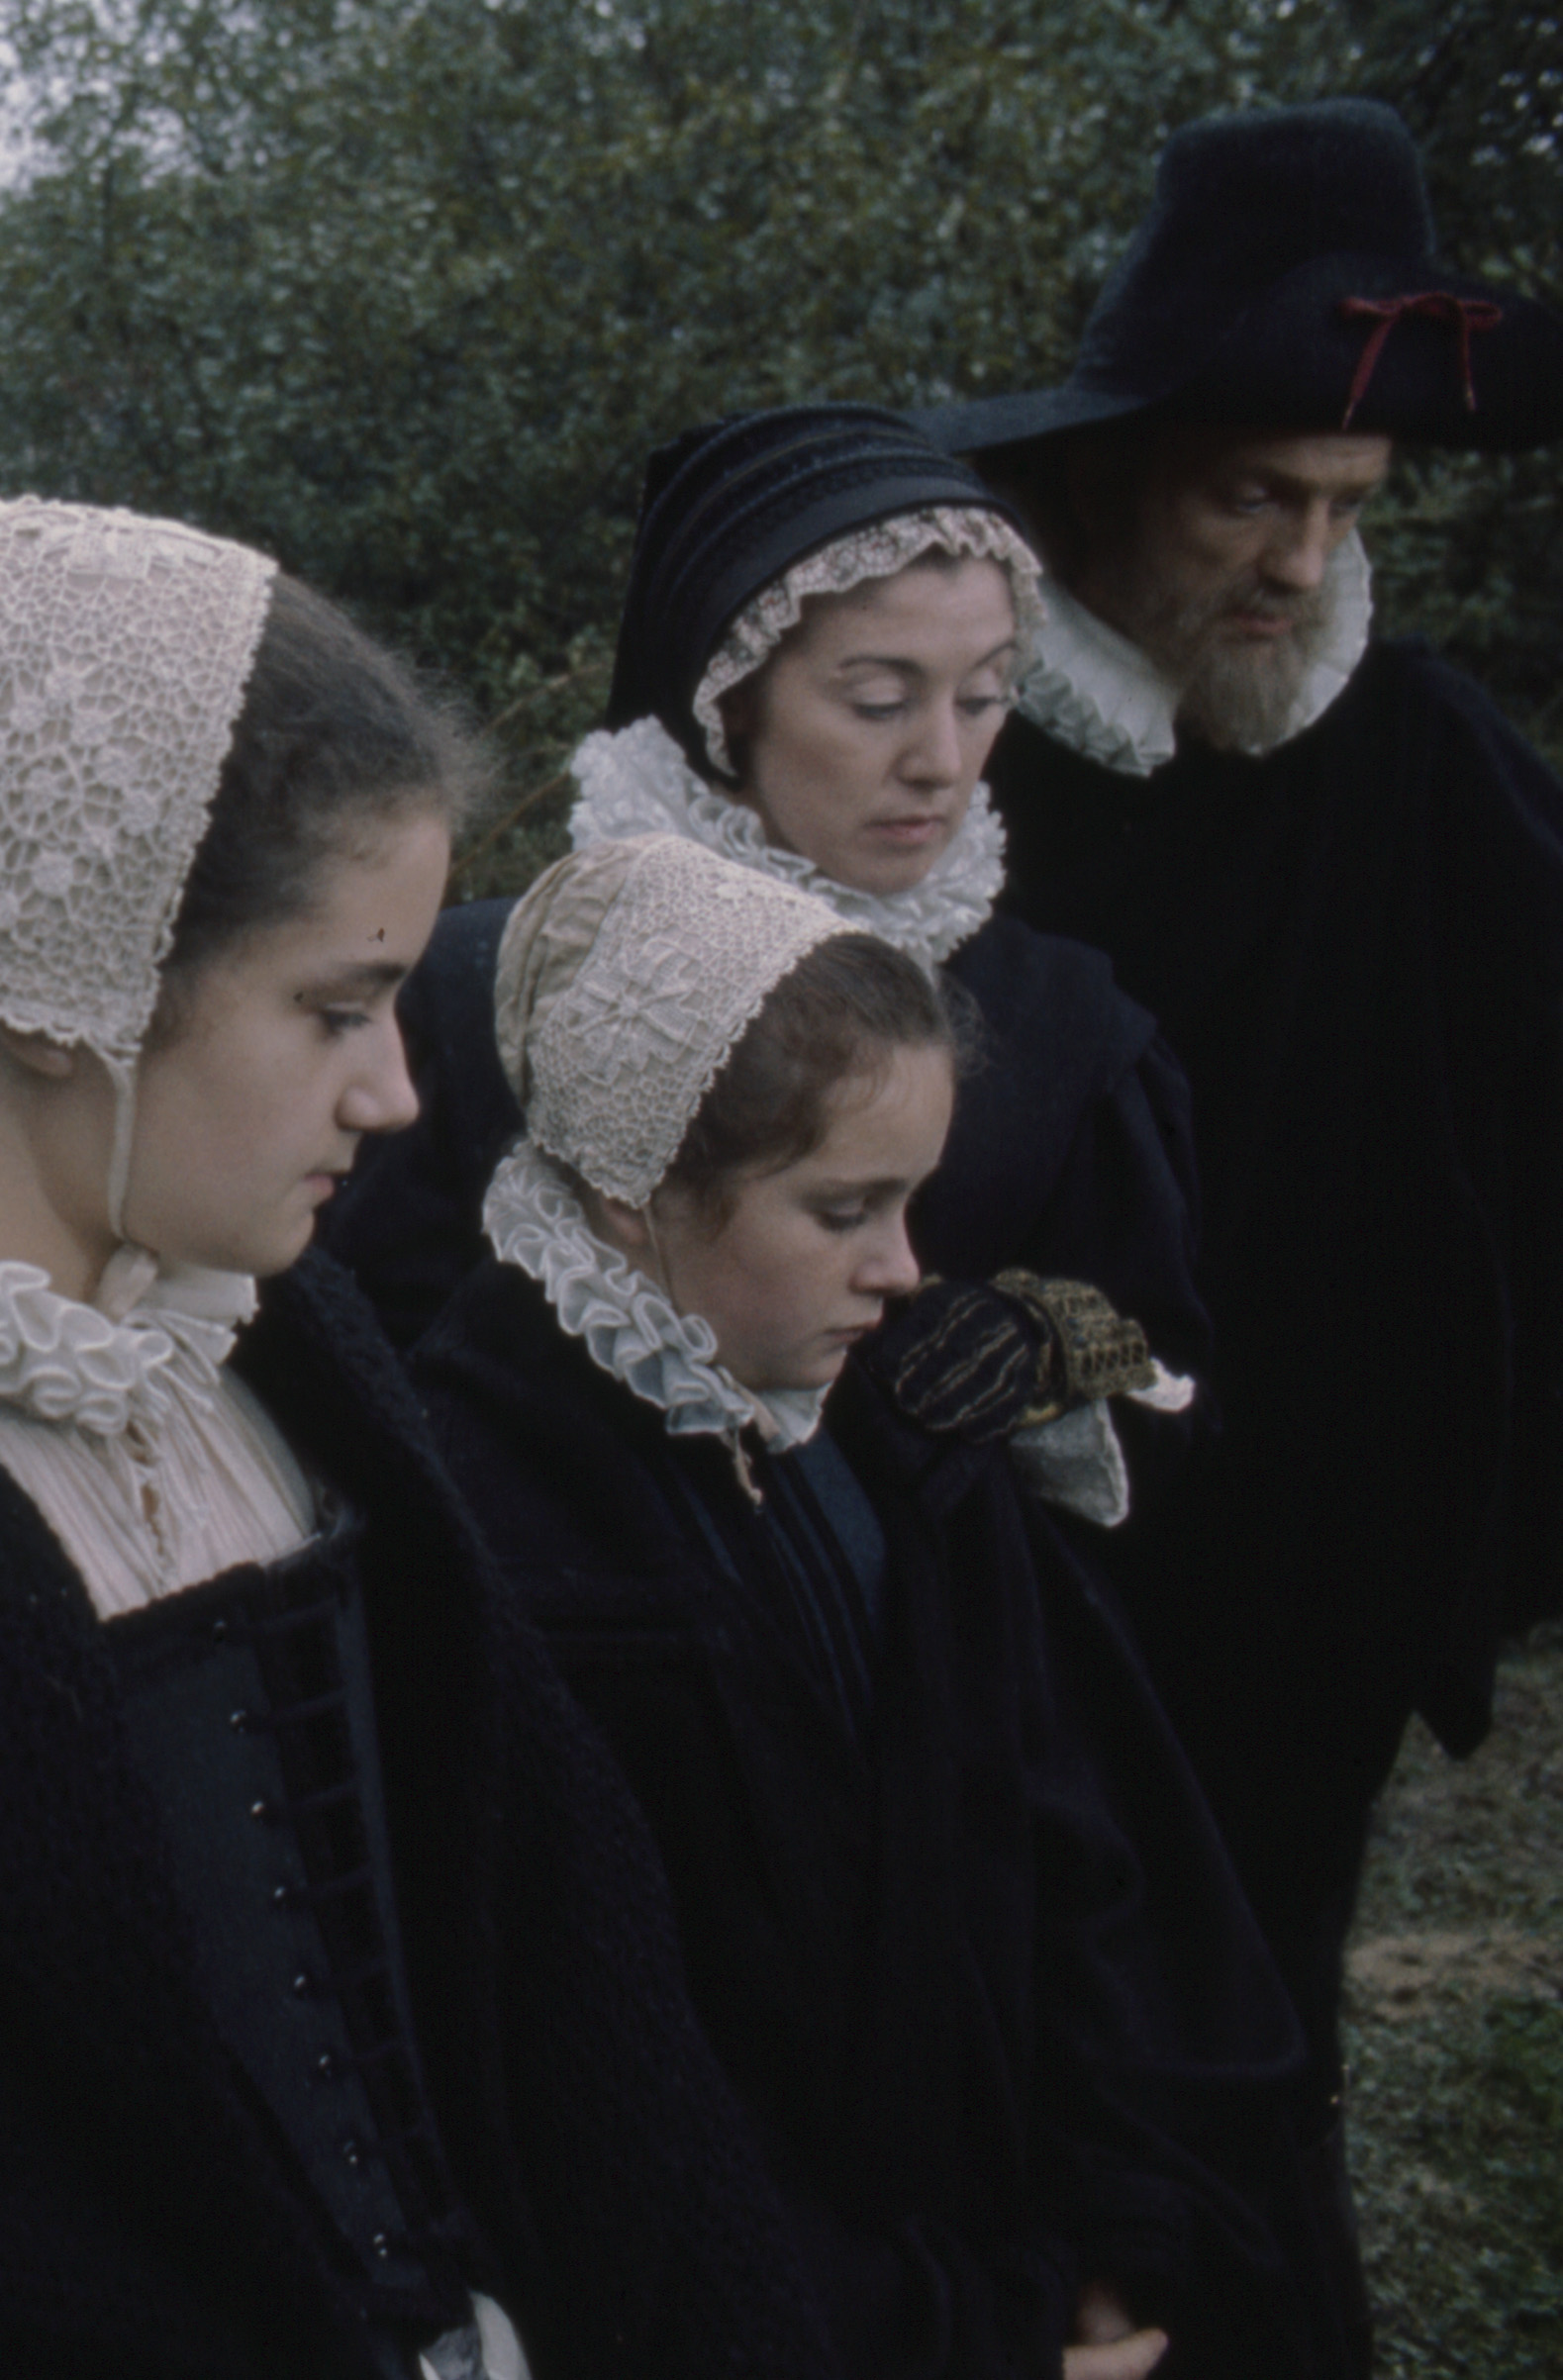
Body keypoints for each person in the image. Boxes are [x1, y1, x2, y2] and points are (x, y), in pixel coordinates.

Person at [0, 498, 838, 2378]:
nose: (394, 1092)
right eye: (334, 1008)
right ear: (63, 989)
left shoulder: (293, 1356)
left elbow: (576, 1975)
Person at [914, 97, 1563, 2351]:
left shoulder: (1419, 759)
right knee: (997, 2067)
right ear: (1108, 478)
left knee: (1245, 2081)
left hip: (1302, 1579)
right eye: (1246, 496)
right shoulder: (942, 759)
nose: (1297, 560)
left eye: (1342, 504)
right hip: (995, 1539)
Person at [404, 834, 1332, 2380]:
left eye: (911, 1202)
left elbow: (1060, 1849)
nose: (904, 1270)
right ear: (629, 1193)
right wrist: (958, 2343)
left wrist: (1111, 2232)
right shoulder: (503, 1532)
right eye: (843, 1210)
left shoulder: (877, 1434)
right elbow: (609, 2105)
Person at [332, 407, 1207, 1525]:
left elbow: (1174, 1434)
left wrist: (1045, 1353)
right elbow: (355, 1382)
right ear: (729, 696)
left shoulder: (1067, 1029)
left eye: (984, 696)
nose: (941, 759)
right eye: (879, 700)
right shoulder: (481, 985)